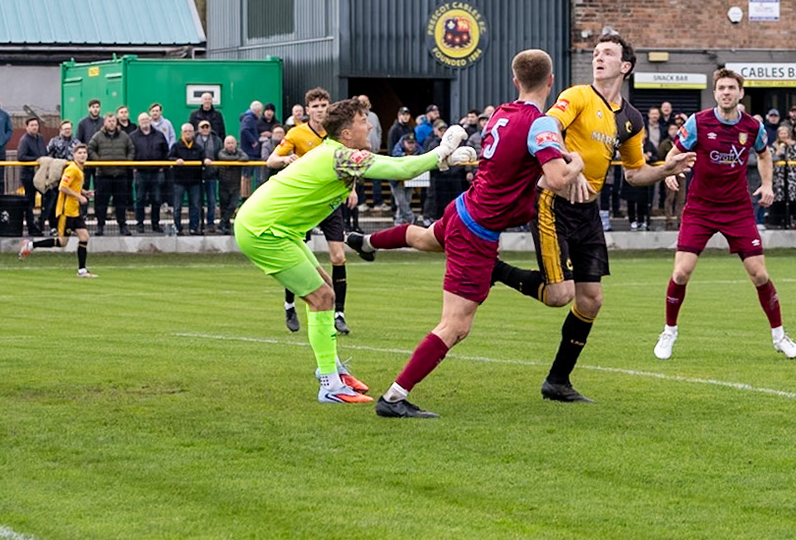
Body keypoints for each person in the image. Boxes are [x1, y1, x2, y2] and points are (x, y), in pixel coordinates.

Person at [362, 50, 580, 419]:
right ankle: (394, 398)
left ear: (515, 82)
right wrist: (578, 162)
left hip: (464, 209)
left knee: (424, 238)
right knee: (456, 325)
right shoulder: (540, 124)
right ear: (551, 81)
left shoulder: (500, 114)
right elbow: (557, 179)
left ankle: (365, 241)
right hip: (477, 231)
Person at [484, 35, 696, 401]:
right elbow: (544, 128)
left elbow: (634, 173)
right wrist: (572, 165)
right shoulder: (578, 96)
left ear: (625, 66)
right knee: (558, 295)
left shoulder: (631, 118)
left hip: (588, 213)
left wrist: (664, 170)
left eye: (608, 53)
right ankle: (495, 270)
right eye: (596, 52)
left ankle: (557, 382)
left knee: (591, 300)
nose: (599, 57)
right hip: (553, 202)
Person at [234, 98, 472, 404]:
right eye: (363, 121)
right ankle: (329, 385)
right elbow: (400, 167)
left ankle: (331, 370)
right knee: (322, 297)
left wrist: (442, 162)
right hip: (263, 231)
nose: (370, 125)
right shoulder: (341, 156)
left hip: (274, 228)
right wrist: (441, 152)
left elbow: (402, 167)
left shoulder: (338, 153)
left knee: (325, 292)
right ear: (346, 133)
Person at [652, 69, 796, 361]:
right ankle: (669, 331)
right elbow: (674, 151)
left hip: (738, 209)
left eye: (731, 88)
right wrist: (668, 173)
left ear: (740, 93)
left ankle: (779, 336)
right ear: (715, 92)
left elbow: (764, 154)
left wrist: (768, 184)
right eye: (721, 87)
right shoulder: (698, 122)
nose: (726, 92)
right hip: (700, 208)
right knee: (681, 273)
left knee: (760, 274)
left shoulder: (753, 127)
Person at [266, 88, 355, 334]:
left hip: (330, 202)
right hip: (304, 205)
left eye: (324, 105)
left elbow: (349, 160)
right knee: (296, 257)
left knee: (338, 256)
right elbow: (270, 160)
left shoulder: (336, 132)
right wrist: (286, 159)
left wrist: (353, 188)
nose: (320, 109)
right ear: (307, 110)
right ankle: (289, 305)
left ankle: (339, 313)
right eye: (315, 106)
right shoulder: (296, 133)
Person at [20, 144, 95, 276]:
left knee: (84, 237)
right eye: (80, 153)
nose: (83, 155)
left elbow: (72, 186)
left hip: (74, 211)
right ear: (74, 155)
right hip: (66, 211)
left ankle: (82, 270)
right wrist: (79, 196)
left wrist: (84, 192)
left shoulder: (78, 169)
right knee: (62, 242)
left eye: (84, 153)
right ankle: (31, 245)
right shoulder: (72, 169)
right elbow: (62, 187)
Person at [87, 112, 135, 235]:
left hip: (120, 174)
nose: (111, 123)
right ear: (105, 123)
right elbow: (90, 148)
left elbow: (131, 149)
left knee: (120, 203)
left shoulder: (124, 136)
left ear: (116, 122)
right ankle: (100, 226)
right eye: (109, 121)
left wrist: (127, 161)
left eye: (113, 121)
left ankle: (122, 226)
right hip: (103, 175)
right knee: (101, 203)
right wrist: (98, 161)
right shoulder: (98, 136)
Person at [131, 111, 169, 234]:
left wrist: (163, 166)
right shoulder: (133, 136)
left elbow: (166, 151)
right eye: (142, 120)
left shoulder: (159, 135)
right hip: (140, 172)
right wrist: (134, 168)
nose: (145, 122)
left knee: (156, 199)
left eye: (146, 119)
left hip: (156, 172)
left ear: (150, 120)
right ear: (139, 122)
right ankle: (140, 224)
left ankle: (155, 224)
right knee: (140, 199)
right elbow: (130, 153)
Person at [16, 117, 46, 236]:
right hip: (28, 175)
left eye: (36, 125)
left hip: (41, 175)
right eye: (32, 125)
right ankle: (31, 226)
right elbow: (21, 156)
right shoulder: (24, 140)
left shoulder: (41, 138)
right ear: (27, 127)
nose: (34, 127)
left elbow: (44, 153)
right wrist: (37, 160)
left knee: (49, 196)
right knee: (30, 202)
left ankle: (42, 221)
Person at [771, 124, 796, 229]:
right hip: (779, 176)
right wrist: (777, 153)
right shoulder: (773, 145)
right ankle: (781, 221)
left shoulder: (794, 144)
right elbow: (770, 158)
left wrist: (792, 145)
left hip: (792, 176)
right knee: (780, 199)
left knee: (794, 199)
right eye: (781, 133)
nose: (783, 135)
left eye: (785, 133)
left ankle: (794, 220)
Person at [216, 135, 248, 234]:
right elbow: (223, 158)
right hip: (224, 183)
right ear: (225, 144)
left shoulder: (239, 152)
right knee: (224, 206)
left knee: (233, 205)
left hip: (235, 184)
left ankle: (222, 223)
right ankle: (225, 225)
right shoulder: (221, 152)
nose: (230, 145)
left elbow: (245, 157)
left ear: (235, 144)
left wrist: (234, 159)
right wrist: (236, 160)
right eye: (228, 143)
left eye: (232, 143)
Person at [238, 100, 264, 196]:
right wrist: (253, 141)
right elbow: (245, 130)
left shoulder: (249, 118)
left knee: (248, 176)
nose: (261, 113)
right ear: (257, 110)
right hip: (249, 151)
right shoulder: (249, 119)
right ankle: (245, 196)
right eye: (260, 111)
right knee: (247, 176)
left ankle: (246, 195)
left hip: (251, 151)